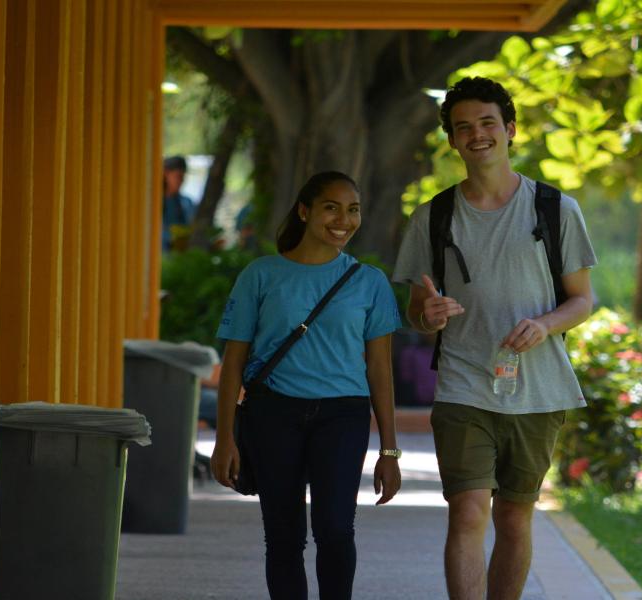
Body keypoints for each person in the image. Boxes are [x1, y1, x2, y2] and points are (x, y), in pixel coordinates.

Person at [392, 77, 597, 599]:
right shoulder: (432, 216)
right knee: (466, 510)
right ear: (453, 141)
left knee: (514, 514)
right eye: (463, 128)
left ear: (509, 130)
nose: (477, 135)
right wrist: (429, 315)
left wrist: (546, 324)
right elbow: (417, 311)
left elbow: (582, 300)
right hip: (463, 384)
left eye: (487, 123)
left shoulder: (555, 209)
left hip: (537, 389)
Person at [211, 171, 403, 600]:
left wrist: (389, 451)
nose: (344, 219)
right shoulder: (260, 275)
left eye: (352, 209)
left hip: (342, 414)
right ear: (304, 211)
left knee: (335, 529)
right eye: (331, 207)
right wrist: (225, 439)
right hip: (272, 413)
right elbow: (234, 363)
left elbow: (379, 368)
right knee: (283, 537)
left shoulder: (369, 282)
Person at [162, 155, 196, 252]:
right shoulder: (153, 203)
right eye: (178, 176)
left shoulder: (187, 202)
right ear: (165, 174)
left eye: (183, 177)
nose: (181, 181)